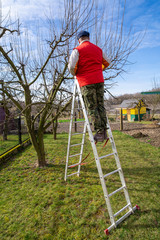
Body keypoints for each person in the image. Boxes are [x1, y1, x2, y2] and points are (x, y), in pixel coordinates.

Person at [68, 30, 111, 142]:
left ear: (79, 39)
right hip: (99, 81)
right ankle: (104, 130)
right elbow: (107, 62)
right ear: (88, 37)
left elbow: (72, 67)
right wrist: (98, 70)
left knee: (92, 107)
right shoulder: (98, 49)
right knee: (100, 105)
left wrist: (77, 74)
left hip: (86, 82)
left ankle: (100, 133)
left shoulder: (77, 50)